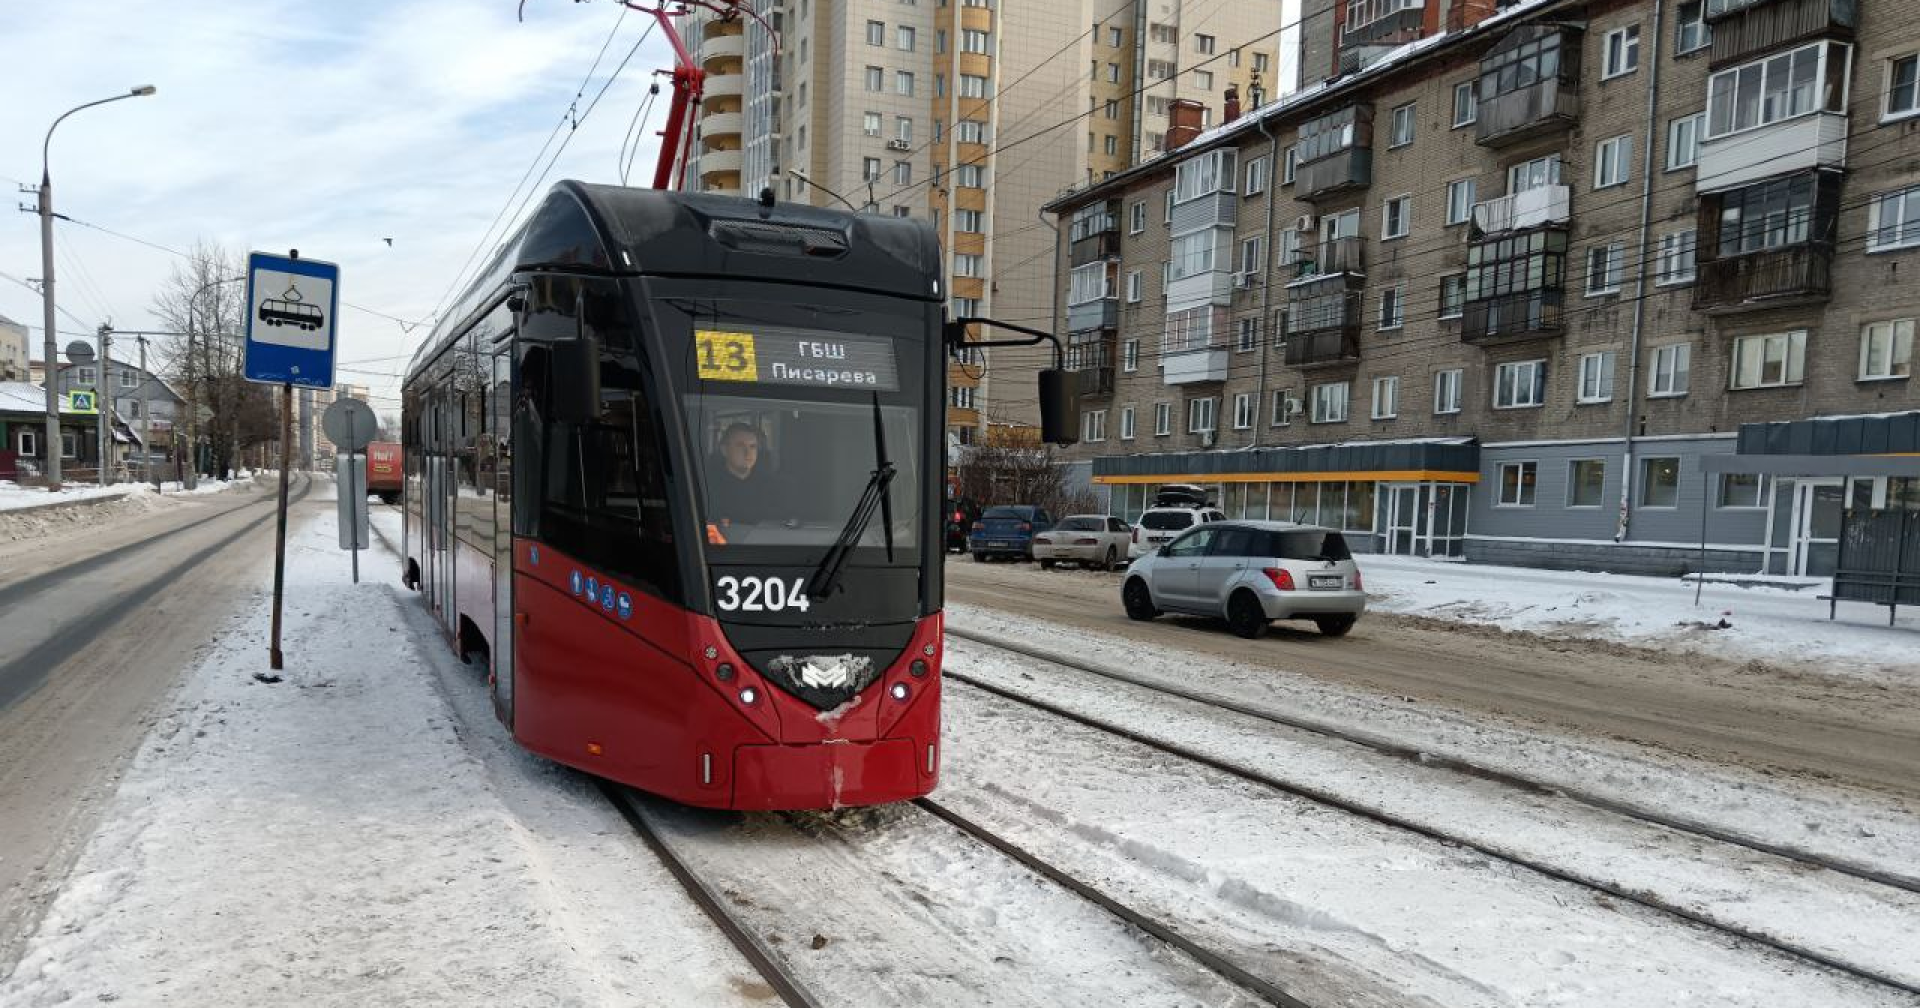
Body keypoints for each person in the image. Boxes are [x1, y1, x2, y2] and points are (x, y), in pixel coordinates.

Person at [706, 422, 772, 526]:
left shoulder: (771, 486)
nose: (748, 452)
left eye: (752, 446)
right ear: (724, 450)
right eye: (740, 445)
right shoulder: (707, 488)